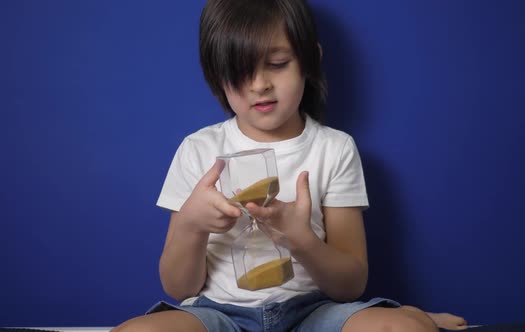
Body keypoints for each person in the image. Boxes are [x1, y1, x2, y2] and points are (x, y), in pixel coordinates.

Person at [113, 0, 468, 331]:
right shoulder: (199, 149)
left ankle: (407, 317)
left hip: (313, 313)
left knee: (404, 328)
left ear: (310, 61)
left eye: (278, 64)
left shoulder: (334, 149)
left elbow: (350, 284)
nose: (259, 85)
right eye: (239, 72)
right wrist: (191, 225)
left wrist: (301, 240)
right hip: (219, 314)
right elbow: (178, 287)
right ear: (217, 77)